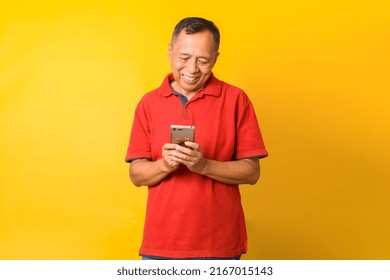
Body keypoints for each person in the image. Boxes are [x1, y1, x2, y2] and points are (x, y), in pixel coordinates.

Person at [125, 17, 268, 260]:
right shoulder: (148, 103)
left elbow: (251, 172)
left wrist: (202, 165)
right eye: (184, 58)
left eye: (203, 60)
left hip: (219, 245)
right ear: (170, 51)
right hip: (160, 245)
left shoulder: (236, 100)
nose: (192, 69)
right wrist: (165, 164)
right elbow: (136, 175)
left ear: (216, 58)